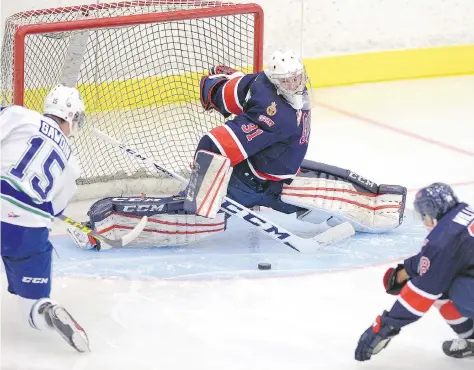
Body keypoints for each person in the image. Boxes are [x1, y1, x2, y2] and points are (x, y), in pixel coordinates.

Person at [69, 50, 407, 251]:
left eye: (298, 77)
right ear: (276, 83)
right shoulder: (276, 117)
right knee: (194, 220)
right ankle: (105, 225)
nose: (296, 85)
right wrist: (205, 193)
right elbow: (215, 144)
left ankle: (383, 208)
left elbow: (231, 88)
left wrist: (212, 85)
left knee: (336, 184)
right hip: (247, 183)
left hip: (273, 176)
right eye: (287, 81)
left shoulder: (261, 81)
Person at [0, 85, 90, 352]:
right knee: (33, 307)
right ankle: (48, 311)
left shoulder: (19, 115)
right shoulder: (72, 164)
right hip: (28, 229)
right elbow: (54, 210)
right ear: (72, 116)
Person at [355, 183, 474, 361]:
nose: (424, 221)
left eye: (424, 215)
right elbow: (447, 259)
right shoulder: (464, 214)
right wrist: (409, 269)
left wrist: (383, 328)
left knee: (452, 289)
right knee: (450, 283)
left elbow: (419, 296)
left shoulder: (444, 241)